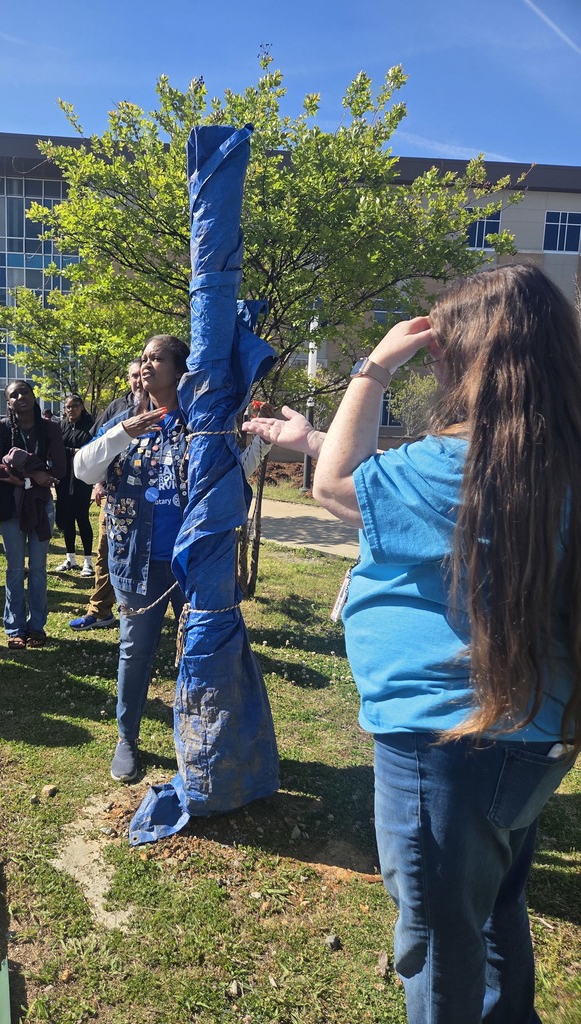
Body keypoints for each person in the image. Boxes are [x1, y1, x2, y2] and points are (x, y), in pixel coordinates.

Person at [243, 263, 581, 1024]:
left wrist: (373, 366)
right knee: (494, 908)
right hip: (529, 735)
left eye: (442, 344)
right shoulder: (544, 460)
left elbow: (337, 487)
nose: (432, 358)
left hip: (444, 747)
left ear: (474, 357)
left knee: (436, 937)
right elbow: (392, 481)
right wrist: (315, 438)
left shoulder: (453, 466)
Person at [75, 338, 269, 782]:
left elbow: (235, 471)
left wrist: (257, 438)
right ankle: (127, 739)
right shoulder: (124, 420)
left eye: (157, 357)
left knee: (197, 652)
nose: (146, 364)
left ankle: (198, 740)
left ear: (181, 370)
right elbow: (83, 470)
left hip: (194, 565)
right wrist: (124, 434)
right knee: (134, 652)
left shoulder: (201, 425)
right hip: (138, 560)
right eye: (143, 357)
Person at [0, 380, 66, 649]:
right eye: (13, 395)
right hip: (11, 506)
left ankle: (37, 626)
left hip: (41, 505)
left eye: (25, 392)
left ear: (34, 396)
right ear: (8, 402)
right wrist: (32, 473)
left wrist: (22, 467)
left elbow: (60, 469)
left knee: (39, 568)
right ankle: (15, 627)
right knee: (15, 568)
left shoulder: (50, 428)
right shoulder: (2, 428)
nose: (20, 397)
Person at [70, 358, 142, 631]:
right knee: (106, 555)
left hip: (146, 503)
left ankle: (137, 613)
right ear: (128, 379)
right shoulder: (118, 409)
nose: (139, 380)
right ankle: (100, 611)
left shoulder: (165, 409)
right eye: (133, 375)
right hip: (114, 498)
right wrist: (98, 482)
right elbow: (93, 449)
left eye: (142, 375)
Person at [54, 394, 95, 576]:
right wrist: (72, 451)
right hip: (63, 479)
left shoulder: (90, 425)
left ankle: (88, 561)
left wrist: (75, 452)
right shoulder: (61, 426)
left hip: (82, 479)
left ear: (81, 407)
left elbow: (91, 448)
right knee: (67, 518)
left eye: (75, 406)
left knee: (82, 518)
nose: (71, 410)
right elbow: (55, 448)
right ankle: (70, 557)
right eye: (68, 407)